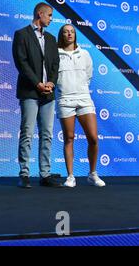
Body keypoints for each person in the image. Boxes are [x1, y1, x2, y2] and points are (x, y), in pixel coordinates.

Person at [12, 2, 61, 188]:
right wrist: (37, 84)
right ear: (40, 14)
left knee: (47, 134)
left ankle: (45, 174)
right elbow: (21, 63)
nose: (51, 19)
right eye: (49, 15)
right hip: (30, 91)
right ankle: (24, 173)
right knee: (27, 132)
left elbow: (56, 64)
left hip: (48, 94)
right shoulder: (22, 34)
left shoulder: (50, 38)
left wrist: (51, 83)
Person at [56, 24, 105, 187]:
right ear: (61, 35)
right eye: (65, 32)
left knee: (93, 138)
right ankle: (70, 176)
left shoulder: (84, 54)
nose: (69, 34)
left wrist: (81, 89)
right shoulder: (55, 54)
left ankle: (92, 174)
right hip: (65, 100)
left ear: (75, 35)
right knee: (69, 138)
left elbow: (89, 76)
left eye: (72, 32)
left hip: (84, 99)